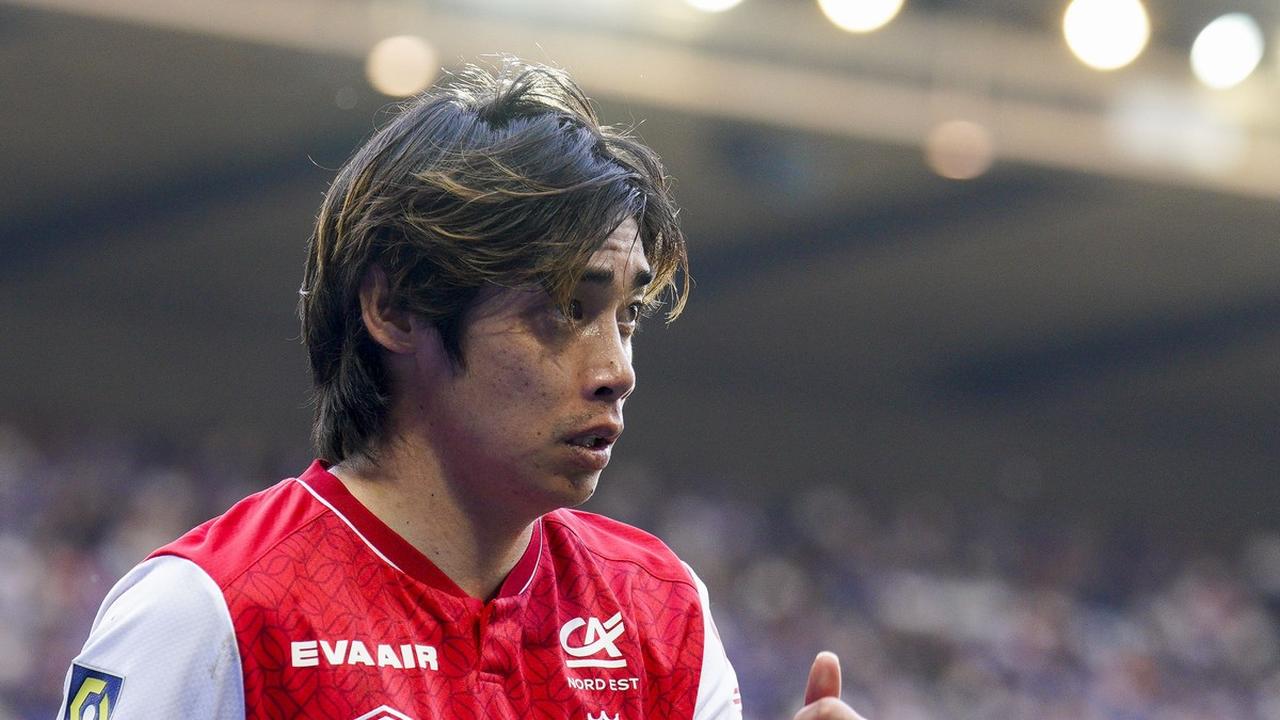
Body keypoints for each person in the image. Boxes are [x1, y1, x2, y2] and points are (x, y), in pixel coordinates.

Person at [56, 59, 866, 720]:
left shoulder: (659, 612)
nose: (617, 369)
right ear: (395, 308)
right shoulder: (212, 612)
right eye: (564, 309)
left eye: (626, 317)